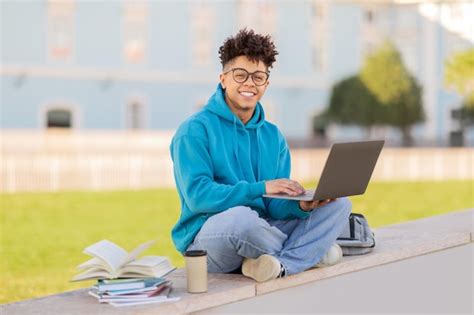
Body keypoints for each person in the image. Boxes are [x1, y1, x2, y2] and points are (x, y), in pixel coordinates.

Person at [170, 29, 352, 282]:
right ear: (223, 79)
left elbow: (273, 205)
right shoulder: (194, 131)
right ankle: (309, 254)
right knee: (242, 218)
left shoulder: (272, 136)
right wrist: (260, 187)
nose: (249, 83)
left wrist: (300, 205)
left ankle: (277, 263)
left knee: (339, 204)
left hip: (262, 230)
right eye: (240, 75)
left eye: (258, 77)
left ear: (266, 84)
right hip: (209, 237)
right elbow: (199, 197)